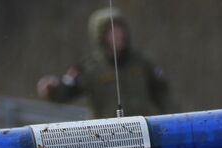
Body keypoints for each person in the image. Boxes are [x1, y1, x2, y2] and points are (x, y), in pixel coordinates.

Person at [36, 7, 172, 119]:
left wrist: (172, 120)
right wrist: (52, 89)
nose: (119, 35)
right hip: (106, 137)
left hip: (143, 132)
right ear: (101, 36)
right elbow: (66, 90)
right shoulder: (88, 68)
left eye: (121, 30)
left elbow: (163, 93)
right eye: (112, 31)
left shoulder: (143, 62)